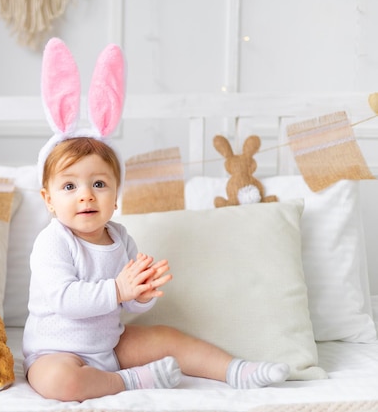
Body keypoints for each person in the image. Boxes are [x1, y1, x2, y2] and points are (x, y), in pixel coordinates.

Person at [22, 38, 290, 402]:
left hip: (111, 345)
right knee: (60, 384)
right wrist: (119, 289)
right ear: (49, 200)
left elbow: (128, 304)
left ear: (115, 195)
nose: (85, 195)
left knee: (165, 336)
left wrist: (141, 295)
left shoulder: (120, 237)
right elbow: (66, 300)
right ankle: (130, 382)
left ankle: (235, 370)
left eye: (98, 183)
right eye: (69, 186)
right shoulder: (53, 241)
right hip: (57, 352)